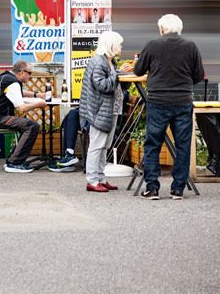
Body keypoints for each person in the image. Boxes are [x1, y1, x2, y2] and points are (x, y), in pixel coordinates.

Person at [132, 14, 206, 200]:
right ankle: (177, 189)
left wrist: (138, 62)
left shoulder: (152, 45)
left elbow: (138, 71)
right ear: (179, 29)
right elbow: (198, 76)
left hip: (158, 101)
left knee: (152, 145)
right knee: (182, 145)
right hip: (182, 101)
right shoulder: (191, 47)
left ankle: (152, 188)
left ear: (161, 29)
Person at [79, 31, 125, 192]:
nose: (121, 47)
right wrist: (118, 74)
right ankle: (92, 180)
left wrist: (119, 73)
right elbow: (103, 85)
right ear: (111, 45)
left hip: (111, 109)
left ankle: (100, 177)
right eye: (119, 44)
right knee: (97, 145)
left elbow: (113, 82)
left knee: (104, 145)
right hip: (100, 110)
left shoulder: (109, 61)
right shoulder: (99, 62)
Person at [0, 61, 47, 173]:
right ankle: (14, 163)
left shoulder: (6, 77)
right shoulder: (12, 82)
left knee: (28, 125)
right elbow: (21, 108)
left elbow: (19, 92)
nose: (30, 76)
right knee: (32, 126)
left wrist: (37, 95)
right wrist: (39, 104)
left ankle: (13, 159)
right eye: (30, 73)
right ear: (22, 72)